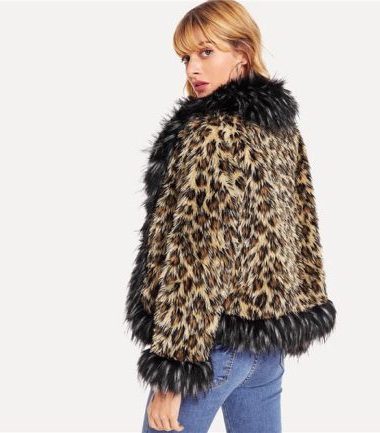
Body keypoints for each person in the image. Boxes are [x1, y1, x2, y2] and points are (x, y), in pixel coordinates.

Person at [124, 1, 337, 432]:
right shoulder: (279, 129)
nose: (193, 69)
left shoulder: (213, 135)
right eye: (186, 57)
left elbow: (197, 256)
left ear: (242, 52)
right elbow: (303, 232)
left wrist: (175, 368)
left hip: (211, 346)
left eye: (206, 52)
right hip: (265, 346)